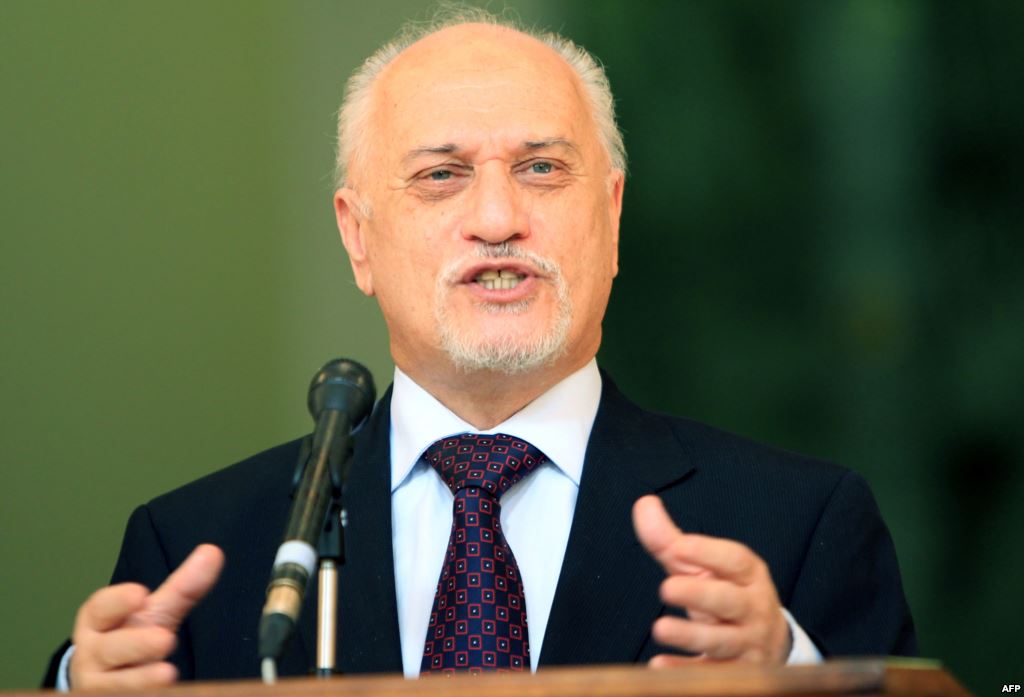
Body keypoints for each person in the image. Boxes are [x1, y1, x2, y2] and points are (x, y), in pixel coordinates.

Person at [44, 9, 916, 691]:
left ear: (612, 216)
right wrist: (80, 687)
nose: (498, 219)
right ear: (357, 236)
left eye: (541, 168)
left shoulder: (796, 528)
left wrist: (796, 675)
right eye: (441, 174)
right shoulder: (197, 547)